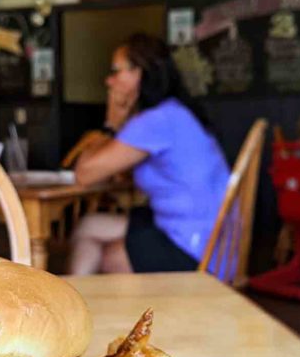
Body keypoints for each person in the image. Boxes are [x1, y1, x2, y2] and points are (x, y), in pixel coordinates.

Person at [68, 34, 229, 274]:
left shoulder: (156, 121)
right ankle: (74, 305)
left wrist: (111, 124)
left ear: (139, 73)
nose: (109, 81)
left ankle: (78, 307)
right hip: (202, 235)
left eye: (116, 71)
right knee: (89, 226)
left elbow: (85, 174)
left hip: (197, 249)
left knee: (111, 256)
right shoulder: (173, 112)